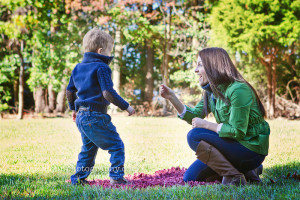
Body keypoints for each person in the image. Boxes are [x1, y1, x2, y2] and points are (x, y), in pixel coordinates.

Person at [160, 47, 270, 186]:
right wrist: (172, 97)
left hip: (250, 149)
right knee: (191, 177)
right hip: (234, 146)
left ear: (213, 66)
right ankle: (249, 170)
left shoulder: (238, 90)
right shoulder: (212, 92)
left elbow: (237, 131)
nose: (195, 70)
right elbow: (194, 116)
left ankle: (235, 175)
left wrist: (206, 125)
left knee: (194, 135)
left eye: (200, 65)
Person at [66, 28, 135, 185]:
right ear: (101, 51)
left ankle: (78, 178)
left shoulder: (77, 67)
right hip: (95, 116)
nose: (110, 56)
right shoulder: (102, 67)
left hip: (82, 117)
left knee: (88, 150)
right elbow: (107, 93)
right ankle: (116, 178)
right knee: (116, 146)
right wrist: (127, 107)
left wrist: (73, 109)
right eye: (109, 51)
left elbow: (70, 91)